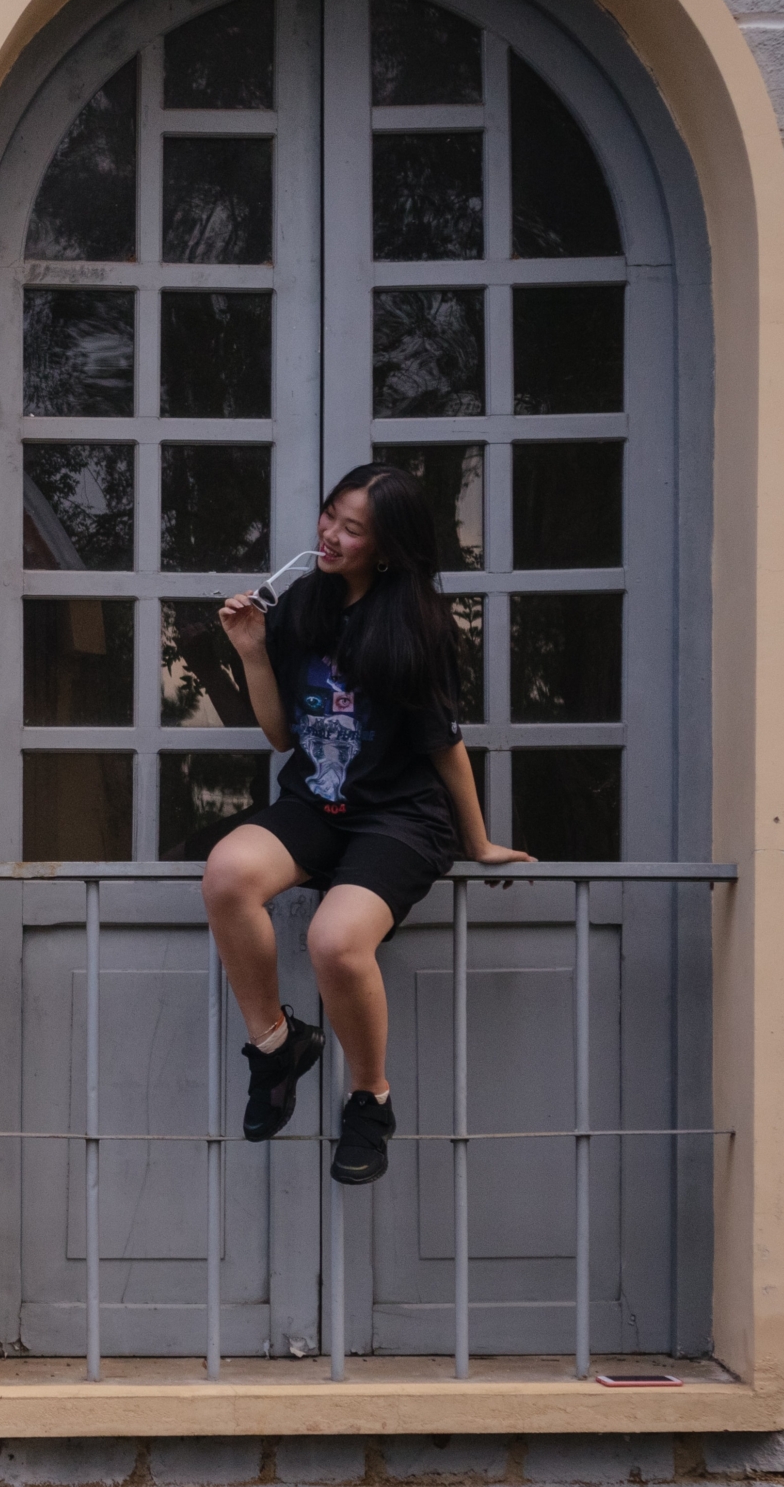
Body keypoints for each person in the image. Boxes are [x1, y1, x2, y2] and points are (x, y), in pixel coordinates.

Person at [206, 463, 532, 1184]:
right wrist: (254, 650)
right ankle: (276, 1046)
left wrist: (476, 841)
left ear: (385, 548)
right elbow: (282, 737)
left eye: (353, 528)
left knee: (335, 940)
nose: (331, 533)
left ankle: (370, 1098)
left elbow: (444, 743)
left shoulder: (415, 626)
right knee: (228, 873)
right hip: (318, 802)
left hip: (399, 817)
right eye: (330, 514)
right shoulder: (300, 605)